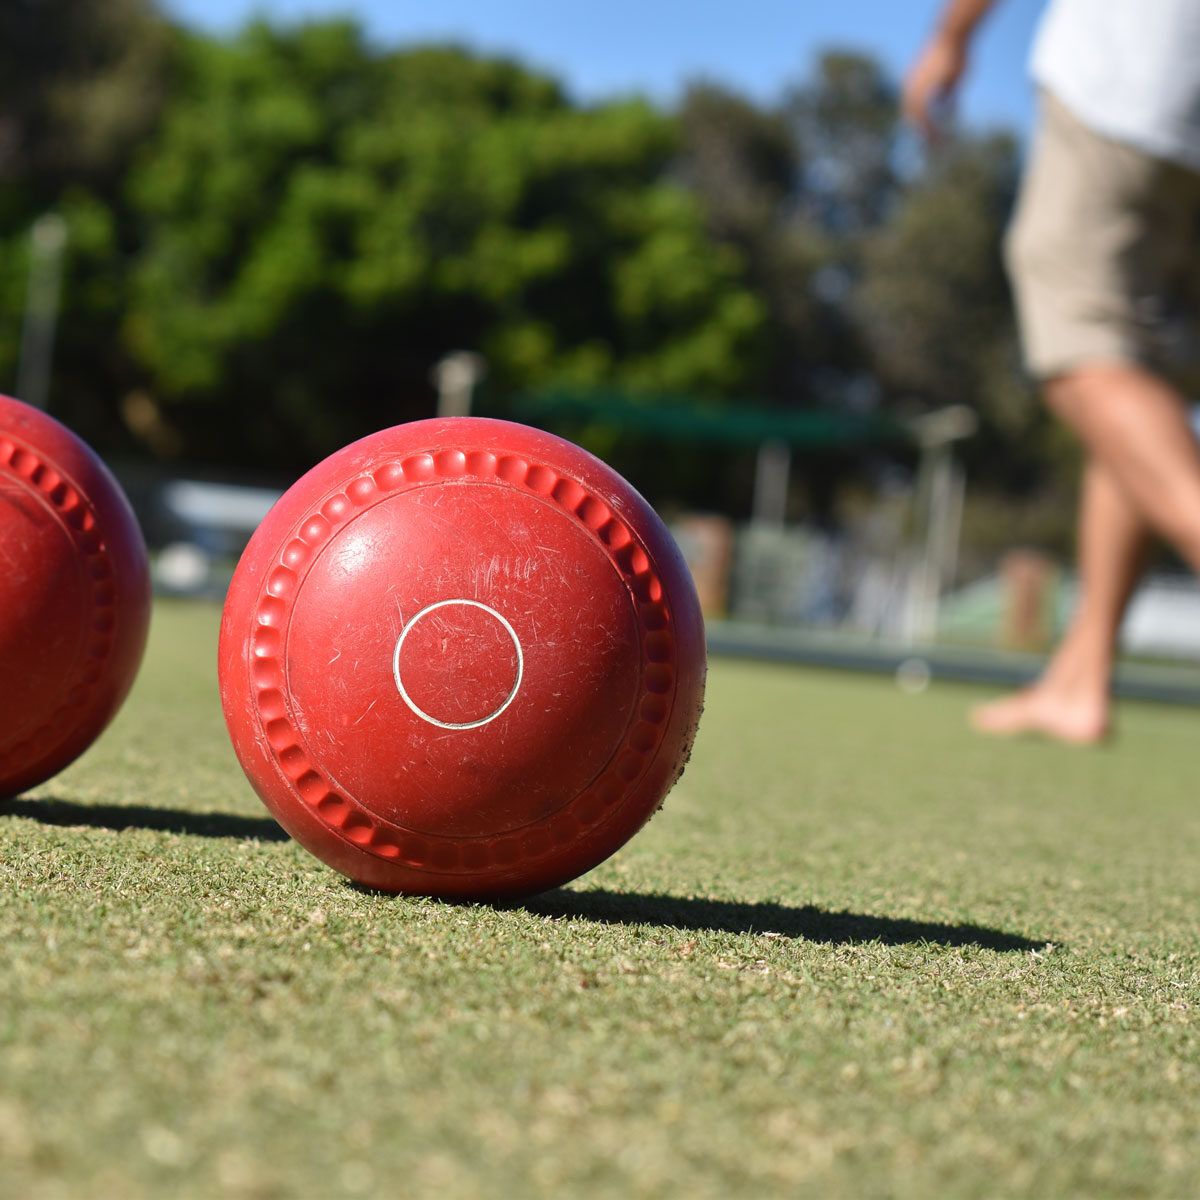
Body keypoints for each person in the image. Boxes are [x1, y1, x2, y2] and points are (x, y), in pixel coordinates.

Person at [903, 0, 1200, 744]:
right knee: (1136, 381)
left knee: (1083, 357)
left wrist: (952, 36)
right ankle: (1081, 678)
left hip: (1132, 86)